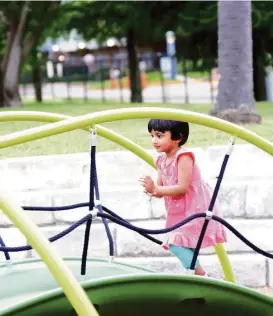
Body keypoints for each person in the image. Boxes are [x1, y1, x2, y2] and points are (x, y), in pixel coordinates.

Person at [139, 119, 227, 276]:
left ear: (178, 137)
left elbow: (182, 188)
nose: (154, 141)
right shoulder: (160, 160)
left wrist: (156, 188)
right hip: (178, 209)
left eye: (159, 136)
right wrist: (152, 190)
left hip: (195, 207)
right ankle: (196, 276)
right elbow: (160, 191)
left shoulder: (184, 156)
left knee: (174, 243)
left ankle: (202, 275)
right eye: (152, 136)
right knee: (186, 245)